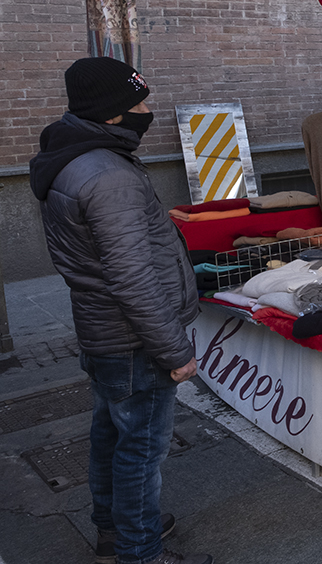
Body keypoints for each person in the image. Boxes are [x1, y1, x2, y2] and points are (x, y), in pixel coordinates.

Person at [28, 58, 212, 564]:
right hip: (133, 339)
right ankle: (139, 551)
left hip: (104, 332)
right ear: (112, 114)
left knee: (110, 433)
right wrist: (175, 350)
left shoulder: (74, 158)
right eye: (138, 104)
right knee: (141, 451)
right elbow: (133, 278)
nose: (146, 111)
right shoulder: (107, 174)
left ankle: (116, 529)